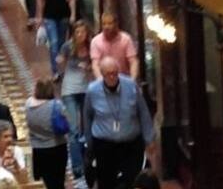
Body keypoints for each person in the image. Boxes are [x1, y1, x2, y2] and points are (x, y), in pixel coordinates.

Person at [85, 58, 155, 189]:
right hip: (104, 145)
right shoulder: (92, 91)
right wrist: (89, 145)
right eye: (108, 74)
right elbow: (87, 117)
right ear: (102, 74)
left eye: (115, 73)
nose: (112, 77)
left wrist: (149, 138)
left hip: (131, 143)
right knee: (106, 182)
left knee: (134, 180)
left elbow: (143, 112)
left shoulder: (131, 86)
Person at [60, 20, 94, 179]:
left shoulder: (91, 47)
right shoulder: (67, 47)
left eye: (83, 32)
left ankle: (88, 161)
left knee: (87, 128)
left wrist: (89, 68)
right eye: (77, 32)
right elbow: (60, 63)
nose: (80, 35)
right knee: (73, 129)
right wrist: (61, 64)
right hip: (70, 91)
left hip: (86, 89)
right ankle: (77, 166)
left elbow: (96, 64)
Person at [26, 78, 71, 186]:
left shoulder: (28, 104)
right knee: (58, 181)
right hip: (57, 147)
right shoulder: (56, 105)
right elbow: (68, 122)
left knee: (46, 181)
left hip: (38, 150)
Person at [35, 0, 75, 72]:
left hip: (63, 17)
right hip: (49, 17)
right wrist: (39, 17)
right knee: (54, 42)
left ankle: (61, 66)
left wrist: (73, 14)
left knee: (62, 43)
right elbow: (40, 0)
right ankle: (55, 70)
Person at [90, 15, 138, 80]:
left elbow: (133, 61)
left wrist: (132, 80)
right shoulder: (95, 41)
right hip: (104, 81)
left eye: (109, 23)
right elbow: (95, 64)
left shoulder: (126, 39)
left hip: (123, 79)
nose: (106, 27)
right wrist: (100, 81)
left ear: (116, 24)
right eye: (104, 24)